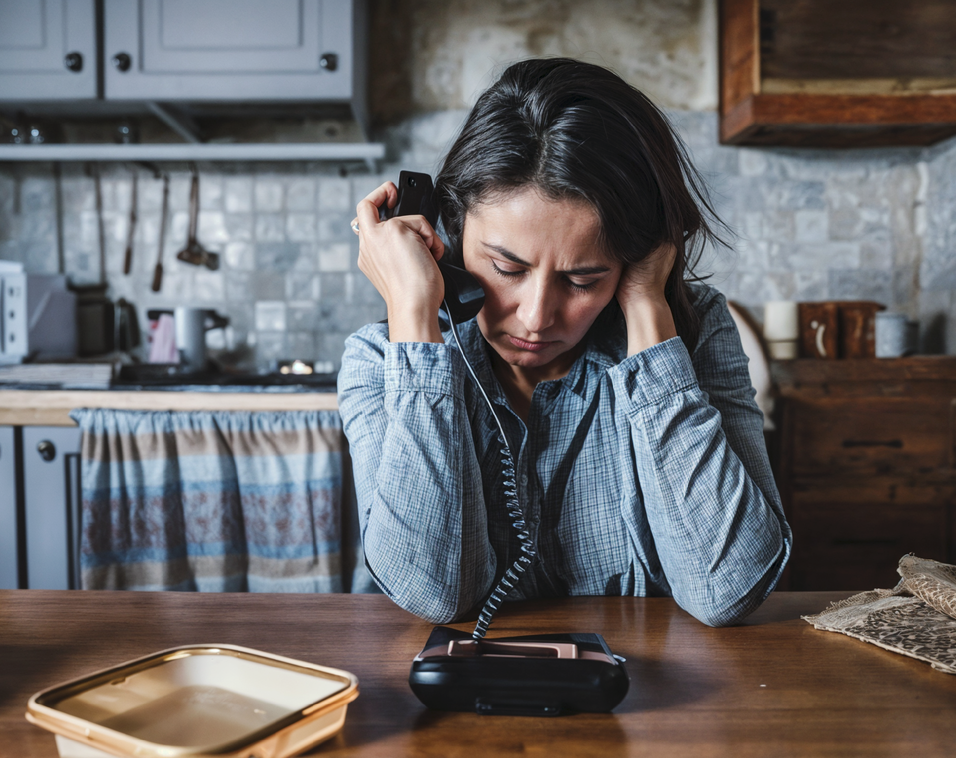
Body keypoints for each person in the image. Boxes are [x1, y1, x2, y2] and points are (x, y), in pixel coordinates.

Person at [338, 58, 791, 627]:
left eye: (583, 280)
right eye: (505, 267)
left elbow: (729, 588)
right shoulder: (379, 361)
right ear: (448, 231)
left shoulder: (695, 334)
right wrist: (411, 312)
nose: (535, 317)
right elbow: (434, 594)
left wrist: (649, 308)